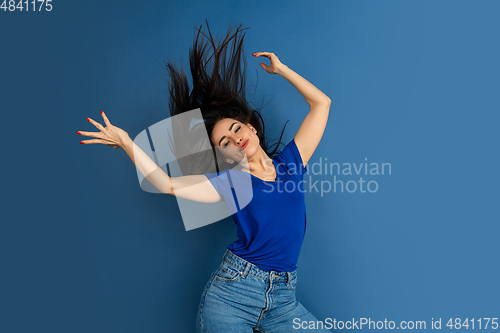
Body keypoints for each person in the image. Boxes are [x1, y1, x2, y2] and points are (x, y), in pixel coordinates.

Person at [77, 20, 332, 333]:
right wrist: (126, 142)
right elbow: (167, 185)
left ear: (251, 128)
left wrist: (282, 70)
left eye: (236, 129)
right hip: (233, 295)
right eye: (225, 142)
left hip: (284, 298)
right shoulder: (233, 184)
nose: (235, 139)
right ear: (226, 156)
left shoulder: (291, 164)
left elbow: (321, 103)